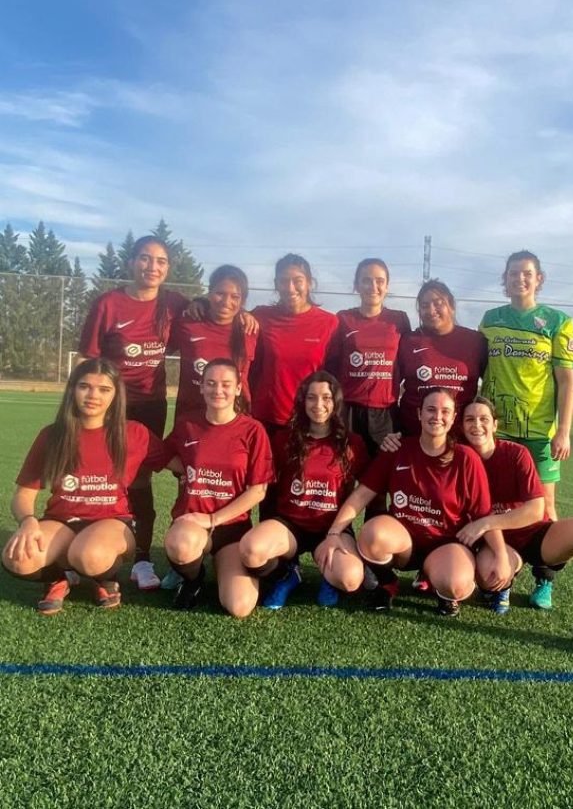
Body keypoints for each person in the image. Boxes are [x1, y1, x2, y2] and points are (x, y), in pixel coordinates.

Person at [458, 397, 573, 663]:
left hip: (535, 535)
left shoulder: (515, 453)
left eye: (483, 419)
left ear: (495, 424)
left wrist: (487, 522)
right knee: (491, 575)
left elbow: (535, 510)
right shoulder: (460, 458)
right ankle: (503, 584)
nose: (477, 425)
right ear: (462, 426)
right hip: (497, 542)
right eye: (469, 419)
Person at [326, 387, 509, 617]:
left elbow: (484, 515)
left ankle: (441, 589)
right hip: (405, 544)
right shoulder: (398, 449)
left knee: (457, 584)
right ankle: (387, 583)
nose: (437, 416)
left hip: (445, 544)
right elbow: (362, 495)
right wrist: (334, 532)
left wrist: (501, 556)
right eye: (431, 409)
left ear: (454, 419)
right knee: (372, 534)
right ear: (419, 413)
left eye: (445, 411)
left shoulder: (466, 458)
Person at [2, 358, 164, 614]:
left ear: (116, 394)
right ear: (72, 390)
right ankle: (57, 579)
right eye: (84, 386)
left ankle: (104, 578)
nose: (93, 395)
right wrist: (28, 521)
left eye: (104, 389)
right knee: (17, 559)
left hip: (113, 522)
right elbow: (24, 494)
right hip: (61, 521)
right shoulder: (52, 435)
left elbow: (180, 462)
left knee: (90, 555)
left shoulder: (134, 433)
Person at [78, 235, 188, 590]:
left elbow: (209, 313)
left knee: (139, 478)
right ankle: (82, 548)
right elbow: (87, 359)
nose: (152, 267)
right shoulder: (108, 304)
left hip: (149, 406)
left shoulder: (174, 304)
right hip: (109, 406)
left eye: (160, 261)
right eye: (145, 258)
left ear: (167, 268)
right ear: (132, 262)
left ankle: (141, 558)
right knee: (98, 476)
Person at [479, 250, 573, 610]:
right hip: (497, 432)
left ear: (539, 279)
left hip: (539, 433)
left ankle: (544, 578)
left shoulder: (558, 322)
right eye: (513, 273)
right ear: (504, 280)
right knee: (494, 504)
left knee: (545, 506)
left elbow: (566, 381)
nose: (519, 279)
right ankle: (502, 574)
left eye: (527, 273)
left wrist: (563, 430)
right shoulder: (490, 320)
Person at [238, 371, 369, 609]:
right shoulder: (284, 439)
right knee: (250, 551)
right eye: (311, 398)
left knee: (350, 579)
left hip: (332, 528)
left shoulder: (352, 444)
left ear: (336, 402)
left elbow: (368, 491)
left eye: (326, 398)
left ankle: (330, 577)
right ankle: (287, 575)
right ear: (302, 401)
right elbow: (267, 486)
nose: (318, 405)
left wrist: (336, 533)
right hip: (290, 526)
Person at [160, 359, 274, 615]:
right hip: (191, 522)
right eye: (210, 383)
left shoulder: (253, 430)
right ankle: (192, 578)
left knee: (240, 607)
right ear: (201, 387)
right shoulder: (187, 424)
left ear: (237, 389)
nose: (217, 390)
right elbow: (162, 455)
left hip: (231, 527)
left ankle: (222, 567)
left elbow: (258, 490)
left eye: (225, 384)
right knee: (181, 545)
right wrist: (188, 468)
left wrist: (213, 518)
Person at [327, 258, 410, 518]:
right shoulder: (344, 319)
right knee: (342, 479)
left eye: (379, 281)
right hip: (348, 411)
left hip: (384, 414)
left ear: (387, 286)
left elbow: (408, 362)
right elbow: (330, 364)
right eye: (366, 280)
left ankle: (375, 550)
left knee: (378, 484)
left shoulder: (399, 320)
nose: (373, 286)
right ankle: (340, 539)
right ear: (356, 285)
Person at [248, 254, 338, 435]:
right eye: (283, 281)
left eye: (298, 281)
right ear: (276, 284)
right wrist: (200, 302)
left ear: (309, 283)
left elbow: (334, 378)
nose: (290, 288)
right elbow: (226, 315)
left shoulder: (329, 323)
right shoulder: (260, 316)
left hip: (310, 422)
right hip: (266, 421)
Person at [168, 264, 258, 424]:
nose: (226, 301)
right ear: (209, 293)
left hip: (237, 418)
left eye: (235, 297)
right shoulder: (188, 323)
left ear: (242, 300)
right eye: (220, 293)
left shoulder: (251, 329)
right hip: (191, 418)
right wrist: (197, 301)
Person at [397, 280, 486, 437]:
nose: (431, 310)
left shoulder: (475, 341)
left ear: (451, 306)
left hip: (460, 436)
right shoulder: (408, 341)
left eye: (438, 303)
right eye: (424, 305)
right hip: (413, 435)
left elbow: (491, 382)